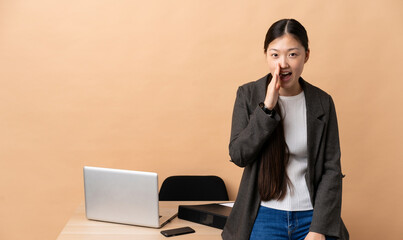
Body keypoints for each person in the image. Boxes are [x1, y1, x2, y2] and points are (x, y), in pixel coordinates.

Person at [222, 19, 349, 240]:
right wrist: (267, 108)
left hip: (312, 215)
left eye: (292, 54)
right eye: (275, 55)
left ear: (306, 55)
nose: (283, 64)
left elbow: (331, 169)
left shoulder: (322, 102)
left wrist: (318, 230)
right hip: (263, 214)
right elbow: (239, 154)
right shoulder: (249, 94)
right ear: (266, 56)